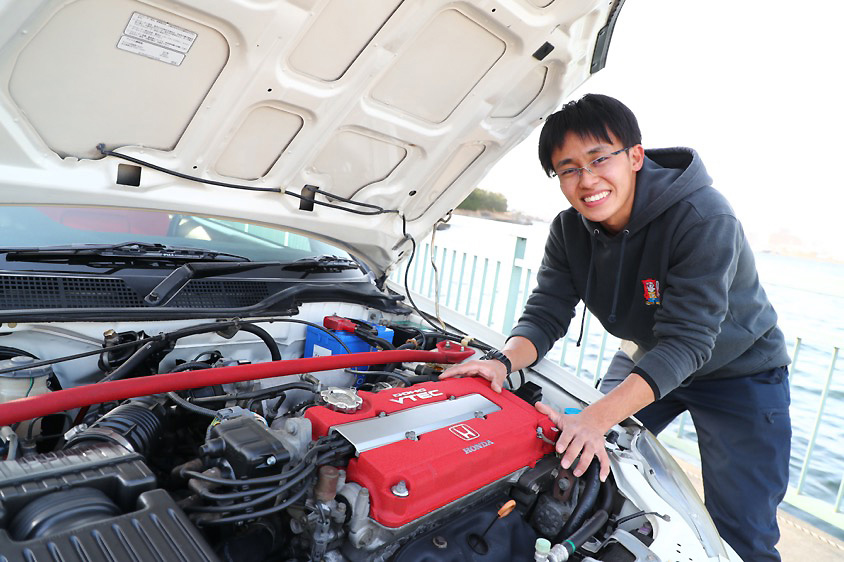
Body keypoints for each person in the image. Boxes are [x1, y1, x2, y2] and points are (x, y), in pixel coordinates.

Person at [440, 93, 791, 561]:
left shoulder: (704, 218)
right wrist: (501, 362)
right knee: (581, 464)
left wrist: (595, 418)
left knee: (742, 534)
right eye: (568, 169)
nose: (587, 180)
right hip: (649, 356)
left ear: (635, 156)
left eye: (599, 159)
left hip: (740, 372)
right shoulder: (569, 230)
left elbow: (688, 342)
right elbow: (546, 314)